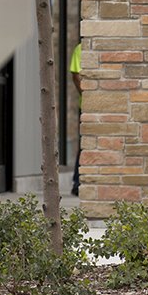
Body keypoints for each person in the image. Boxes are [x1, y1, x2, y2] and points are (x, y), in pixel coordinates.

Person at [70, 42, 81, 196]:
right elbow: (75, 73)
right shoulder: (81, 48)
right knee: (84, 143)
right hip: (86, 106)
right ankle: (77, 182)